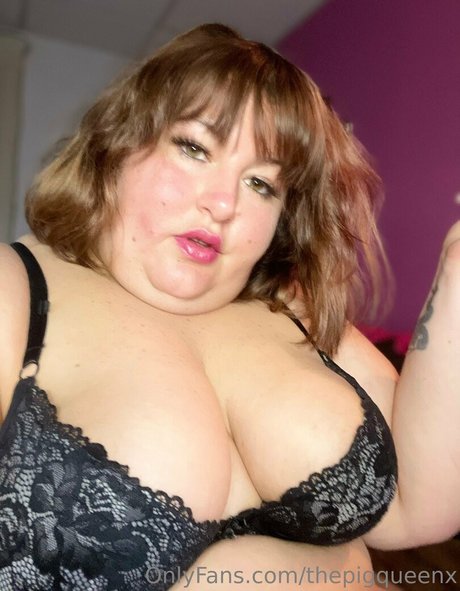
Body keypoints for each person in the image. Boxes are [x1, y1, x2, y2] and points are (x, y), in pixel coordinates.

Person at [0, 23, 459, 591]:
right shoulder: (17, 289)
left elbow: (419, 508)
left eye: (261, 184)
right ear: (117, 145)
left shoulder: (293, 312)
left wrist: (457, 265)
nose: (223, 204)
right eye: (195, 149)